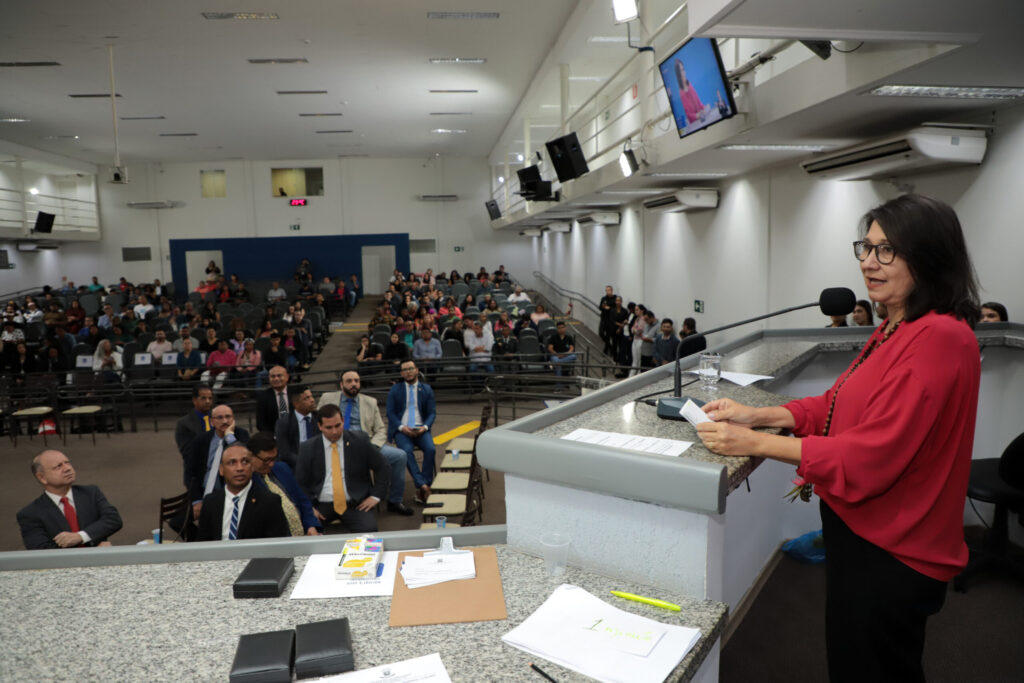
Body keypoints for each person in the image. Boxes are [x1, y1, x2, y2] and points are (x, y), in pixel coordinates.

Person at [694, 194, 982, 683]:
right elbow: (837, 405)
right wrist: (758, 415)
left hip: (893, 551)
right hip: (863, 535)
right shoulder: (896, 325)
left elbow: (870, 456)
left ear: (929, 255)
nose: (869, 262)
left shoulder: (938, 338)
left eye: (886, 250)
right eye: (865, 248)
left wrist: (754, 444)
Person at [317, 370, 414, 516]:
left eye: (356, 381)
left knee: (400, 456)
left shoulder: (370, 402)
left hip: (366, 445)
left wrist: (373, 447)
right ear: (341, 384)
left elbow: (381, 429)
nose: (353, 384)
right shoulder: (327, 398)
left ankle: (395, 501)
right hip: (336, 444)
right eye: (349, 381)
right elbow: (318, 424)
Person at [295, 404, 390, 533]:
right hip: (321, 504)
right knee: (303, 527)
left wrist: (376, 496)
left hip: (354, 502)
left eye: (338, 425)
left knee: (369, 529)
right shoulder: (307, 448)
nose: (334, 431)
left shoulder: (359, 440)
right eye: (329, 427)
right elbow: (301, 482)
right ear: (320, 426)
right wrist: (309, 508)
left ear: (343, 422)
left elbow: (383, 466)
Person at [17, 449, 123, 549]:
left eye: (67, 462)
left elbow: (113, 520)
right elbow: (41, 551)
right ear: (42, 477)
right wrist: (91, 553)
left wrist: (81, 536)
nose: (67, 468)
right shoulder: (30, 514)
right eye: (58, 466)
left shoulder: (90, 493)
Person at [196, 443, 290, 541]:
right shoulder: (210, 502)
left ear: (252, 467)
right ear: (221, 470)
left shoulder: (269, 502)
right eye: (232, 463)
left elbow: (277, 547)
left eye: (245, 462)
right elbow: (203, 543)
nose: (240, 468)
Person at [247, 432, 322, 536]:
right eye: (266, 460)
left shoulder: (282, 469)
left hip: (303, 532)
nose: (271, 464)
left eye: (274, 458)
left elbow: (302, 500)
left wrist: (311, 525)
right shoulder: (247, 481)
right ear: (250, 456)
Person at [185, 404, 250, 522]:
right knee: (178, 522)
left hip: (227, 493)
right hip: (202, 492)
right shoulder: (201, 440)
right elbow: (190, 473)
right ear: (211, 422)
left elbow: (244, 459)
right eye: (219, 418)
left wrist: (230, 437)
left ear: (233, 419)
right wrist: (197, 501)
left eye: (228, 417)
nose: (225, 421)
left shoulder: (241, 435)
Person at [386, 360, 436, 503]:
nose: (408, 372)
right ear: (401, 374)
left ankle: (424, 485)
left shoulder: (426, 389)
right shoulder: (395, 389)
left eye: (410, 368)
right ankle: (423, 485)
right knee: (406, 451)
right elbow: (390, 413)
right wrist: (402, 427)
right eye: (405, 370)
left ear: (416, 370)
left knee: (431, 449)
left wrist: (424, 427)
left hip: (421, 428)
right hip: (402, 430)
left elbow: (432, 413)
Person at [275, 385, 320, 469]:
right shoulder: (284, 423)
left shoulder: (320, 418)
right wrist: (303, 462)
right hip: (295, 465)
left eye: (311, 396)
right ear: (296, 404)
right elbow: (285, 452)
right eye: (306, 398)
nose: (312, 400)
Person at [256, 365, 291, 433]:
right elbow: (260, 423)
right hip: (273, 435)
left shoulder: (296, 393)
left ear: (287, 377)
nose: (276, 379)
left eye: (279, 375)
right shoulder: (263, 397)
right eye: (273, 376)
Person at [598, 285, 617, 356]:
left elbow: (615, 307)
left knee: (608, 335)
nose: (607, 292)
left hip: (610, 319)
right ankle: (610, 347)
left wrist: (609, 308)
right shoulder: (604, 298)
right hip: (604, 318)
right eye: (606, 290)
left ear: (612, 290)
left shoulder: (615, 298)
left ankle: (606, 350)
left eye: (609, 290)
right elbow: (600, 307)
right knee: (601, 333)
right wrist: (604, 308)